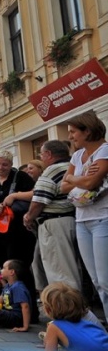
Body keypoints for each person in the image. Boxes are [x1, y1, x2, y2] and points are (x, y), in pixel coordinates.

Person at [62, 111, 108, 321]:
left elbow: (91, 184)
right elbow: (63, 187)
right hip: (82, 220)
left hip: (103, 218)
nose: (70, 136)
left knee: (106, 279)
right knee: (97, 281)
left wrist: (73, 178)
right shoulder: (77, 156)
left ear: (87, 131)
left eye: (73, 132)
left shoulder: (104, 151)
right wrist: (77, 177)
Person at [23, 140, 80, 292]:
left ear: (48, 154)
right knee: (71, 267)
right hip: (71, 219)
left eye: (41, 154)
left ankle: (67, 309)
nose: (41, 158)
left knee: (60, 271)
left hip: (55, 223)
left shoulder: (52, 171)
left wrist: (28, 217)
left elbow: (39, 200)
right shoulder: (72, 167)